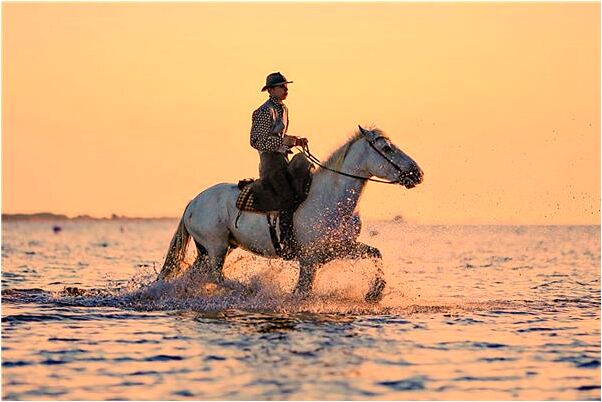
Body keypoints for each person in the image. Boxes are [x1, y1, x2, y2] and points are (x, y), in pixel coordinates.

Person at [249, 72, 308, 254]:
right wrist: (285, 142)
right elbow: (256, 141)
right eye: (282, 86)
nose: (286, 89)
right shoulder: (264, 111)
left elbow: (280, 137)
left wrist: (295, 141)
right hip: (271, 164)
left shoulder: (284, 109)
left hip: (283, 159)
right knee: (287, 197)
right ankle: (287, 243)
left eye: (285, 86)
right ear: (271, 90)